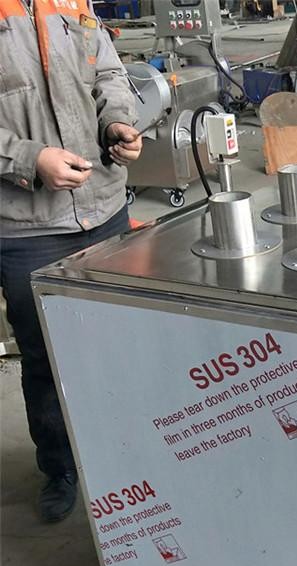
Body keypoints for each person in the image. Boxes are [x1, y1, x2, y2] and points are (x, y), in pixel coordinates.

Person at [0, 0, 142, 522]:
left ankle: (130, 454)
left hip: (104, 207)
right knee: (45, 359)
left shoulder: (71, 1)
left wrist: (117, 123)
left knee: (119, 346)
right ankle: (60, 466)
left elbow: (108, 73)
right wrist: (28, 158)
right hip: (26, 225)